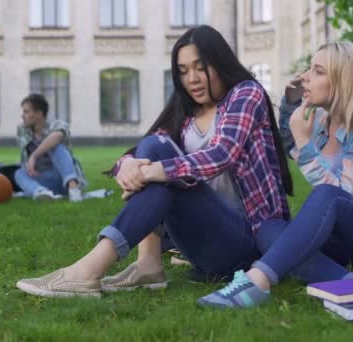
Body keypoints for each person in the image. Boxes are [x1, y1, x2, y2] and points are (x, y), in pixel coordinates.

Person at [15, 25, 293, 298]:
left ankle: (91, 269)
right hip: (204, 244)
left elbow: (223, 153)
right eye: (183, 71)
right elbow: (148, 146)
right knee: (153, 147)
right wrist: (127, 164)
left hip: (246, 246)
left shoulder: (246, 93)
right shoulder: (187, 108)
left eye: (200, 67)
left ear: (219, 62)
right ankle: (147, 264)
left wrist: (154, 171)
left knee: (163, 171)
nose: (192, 79)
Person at [198, 41, 353, 308]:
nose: (305, 76)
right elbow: (291, 140)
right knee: (268, 229)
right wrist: (290, 104)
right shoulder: (325, 120)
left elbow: (341, 194)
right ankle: (351, 284)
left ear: (345, 81)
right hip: (344, 243)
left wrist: (305, 145)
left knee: (328, 195)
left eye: (317, 71)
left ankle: (256, 281)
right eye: (308, 69)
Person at [14, 94, 86, 202]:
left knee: (57, 147)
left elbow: (57, 136)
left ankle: (73, 189)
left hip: (62, 175)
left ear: (39, 114)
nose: (22, 115)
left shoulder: (58, 124)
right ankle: (41, 192)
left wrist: (34, 156)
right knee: (19, 173)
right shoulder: (22, 130)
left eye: (26, 112)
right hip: (42, 178)